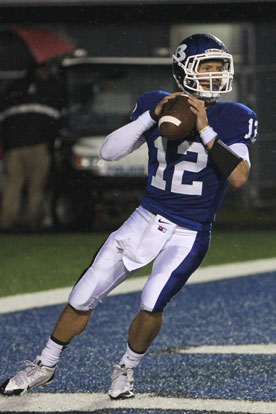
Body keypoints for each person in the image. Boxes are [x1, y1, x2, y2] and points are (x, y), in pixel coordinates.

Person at [0, 34, 258, 398]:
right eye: (207, 66)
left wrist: (204, 128)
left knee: (152, 301)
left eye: (220, 67)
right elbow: (108, 151)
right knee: (83, 294)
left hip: (190, 230)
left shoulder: (235, 116)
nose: (216, 74)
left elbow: (239, 176)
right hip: (147, 216)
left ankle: (125, 368)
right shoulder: (156, 103)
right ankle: (45, 365)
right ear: (184, 69)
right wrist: (152, 117)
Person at [0, 63, 65, 231]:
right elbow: (55, 121)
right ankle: (33, 224)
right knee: (36, 187)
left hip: (14, 147)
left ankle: (6, 223)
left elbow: (4, 119)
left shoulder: (13, 89)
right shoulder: (50, 90)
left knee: (12, 186)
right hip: (38, 147)